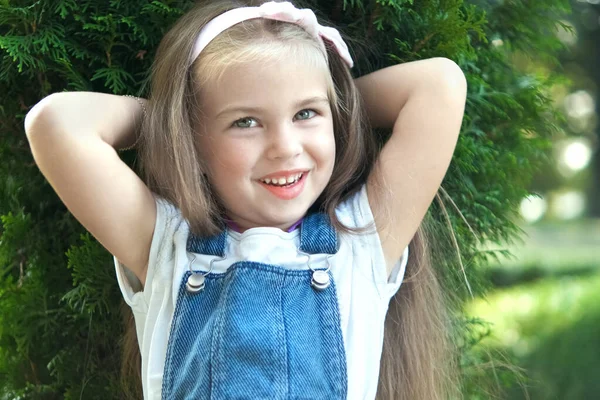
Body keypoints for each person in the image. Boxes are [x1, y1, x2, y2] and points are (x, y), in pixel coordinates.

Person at [24, 0, 467, 399]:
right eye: (246, 122)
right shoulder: (165, 249)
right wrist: (175, 123)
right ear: (194, 139)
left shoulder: (362, 246)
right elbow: (56, 124)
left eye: (306, 113)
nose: (285, 146)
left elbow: (439, 85)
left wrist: (338, 105)